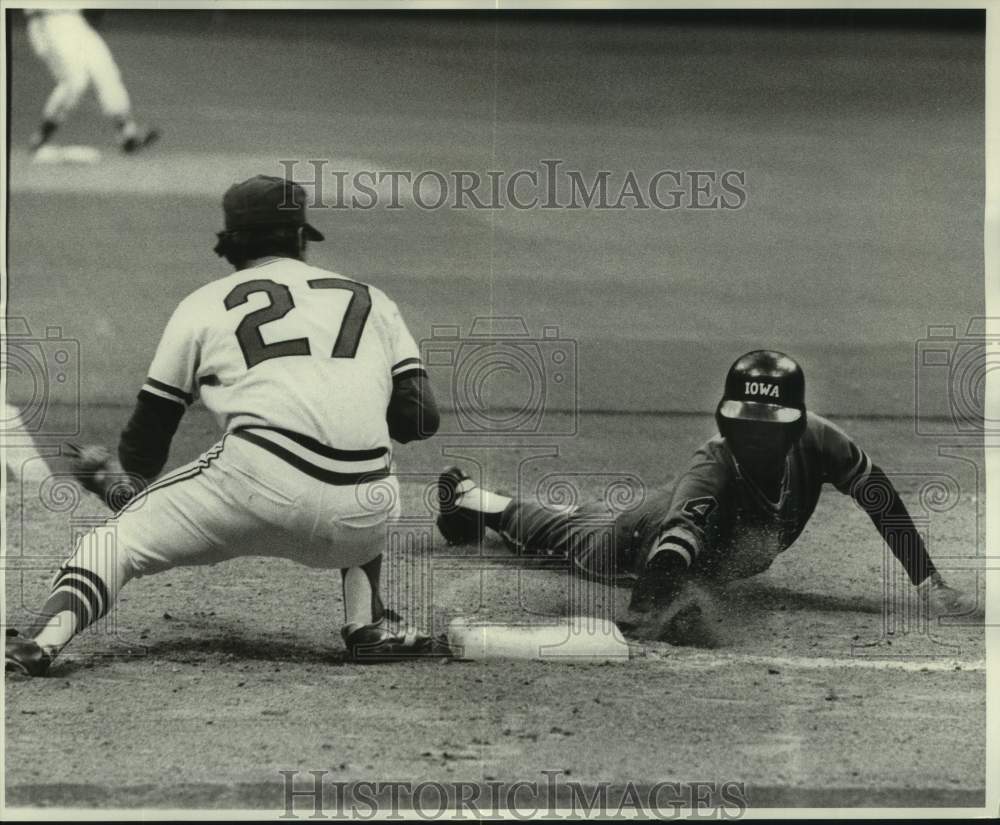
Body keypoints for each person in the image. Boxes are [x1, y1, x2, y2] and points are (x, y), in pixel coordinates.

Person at [6, 175, 440, 677]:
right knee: (362, 460)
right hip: (365, 520)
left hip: (256, 487)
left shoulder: (202, 304)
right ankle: (367, 624)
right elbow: (418, 422)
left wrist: (110, 480)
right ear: (301, 239)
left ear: (230, 246)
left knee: (112, 543)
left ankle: (39, 642)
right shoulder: (372, 299)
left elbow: (146, 449)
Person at [435, 350, 976, 644]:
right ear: (726, 421)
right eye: (748, 425)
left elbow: (877, 493)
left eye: (770, 427)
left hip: (660, 508)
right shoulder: (711, 472)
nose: (758, 436)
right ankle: (469, 497)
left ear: (794, 426)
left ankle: (474, 499)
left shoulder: (820, 439)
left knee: (581, 515)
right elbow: (671, 553)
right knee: (564, 532)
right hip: (630, 543)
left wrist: (930, 584)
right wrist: (651, 612)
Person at [24, 9, 159, 156]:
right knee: (75, 81)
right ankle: (41, 138)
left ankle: (128, 133)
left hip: (75, 21)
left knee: (106, 70)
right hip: (48, 22)